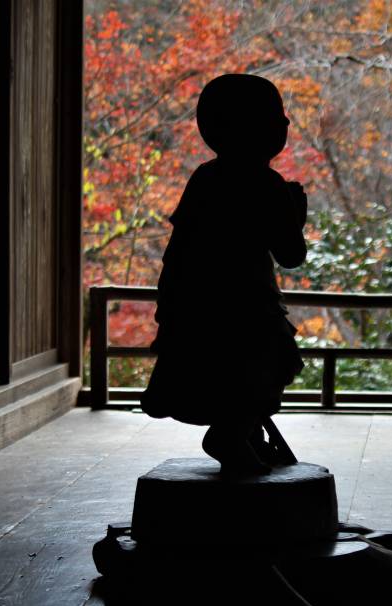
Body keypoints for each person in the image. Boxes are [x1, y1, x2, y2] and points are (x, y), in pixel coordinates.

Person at [140, 73, 308, 475]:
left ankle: (244, 437)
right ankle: (231, 437)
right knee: (264, 368)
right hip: (247, 303)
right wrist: (295, 217)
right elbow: (290, 254)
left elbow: (182, 247)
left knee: (224, 371)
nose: (285, 123)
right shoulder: (265, 184)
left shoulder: (205, 176)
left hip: (195, 301)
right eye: (276, 115)